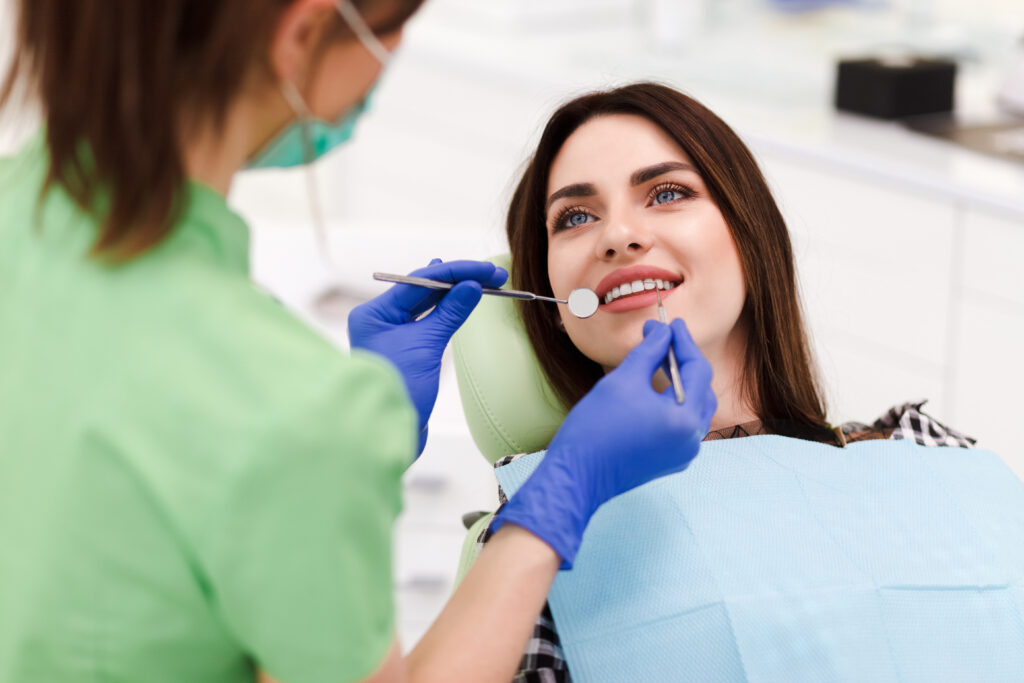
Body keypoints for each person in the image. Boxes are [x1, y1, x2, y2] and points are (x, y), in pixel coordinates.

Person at [0, 4, 718, 683]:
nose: (621, 236)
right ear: (304, 31)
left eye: (667, 194)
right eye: (390, 27)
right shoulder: (288, 409)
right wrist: (557, 498)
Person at [482, 82, 975, 681]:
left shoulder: (921, 449)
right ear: (554, 306)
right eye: (576, 217)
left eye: (666, 193)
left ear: (750, 235)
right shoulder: (536, 541)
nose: (617, 236)